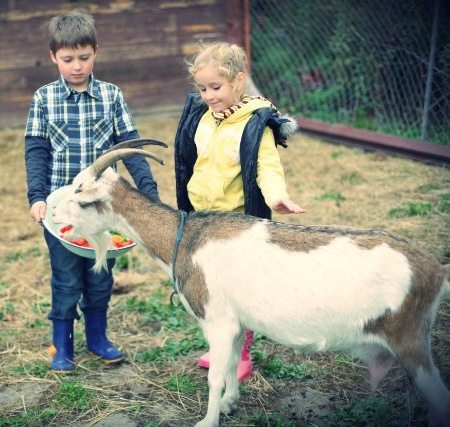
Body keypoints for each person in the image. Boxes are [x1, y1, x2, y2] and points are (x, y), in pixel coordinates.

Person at [24, 9, 160, 374]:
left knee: (100, 276)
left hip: (102, 209)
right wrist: (37, 197)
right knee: (67, 279)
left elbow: (129, 148)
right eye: (68, 59)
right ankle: (63, 347)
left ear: (95, 52)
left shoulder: (111, 96)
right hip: (62, 211)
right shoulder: (43, 99)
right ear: (54, 57)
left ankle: (97, 338)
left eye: (83, 58)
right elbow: (36, 151)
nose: (77, 66)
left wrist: (149, 194)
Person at [174, 42, 305, 382]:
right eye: (202, 89)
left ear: (239, 81)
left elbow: (267, 167)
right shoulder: (202, 119)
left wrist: (277, 197)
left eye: (215, 87)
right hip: (202, 221)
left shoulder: (254, 125)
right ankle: (220, 345)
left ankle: (241, 353)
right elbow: (191, 161)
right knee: (211, 289)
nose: (208, 96)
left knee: (237, 290)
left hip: (235, 225)